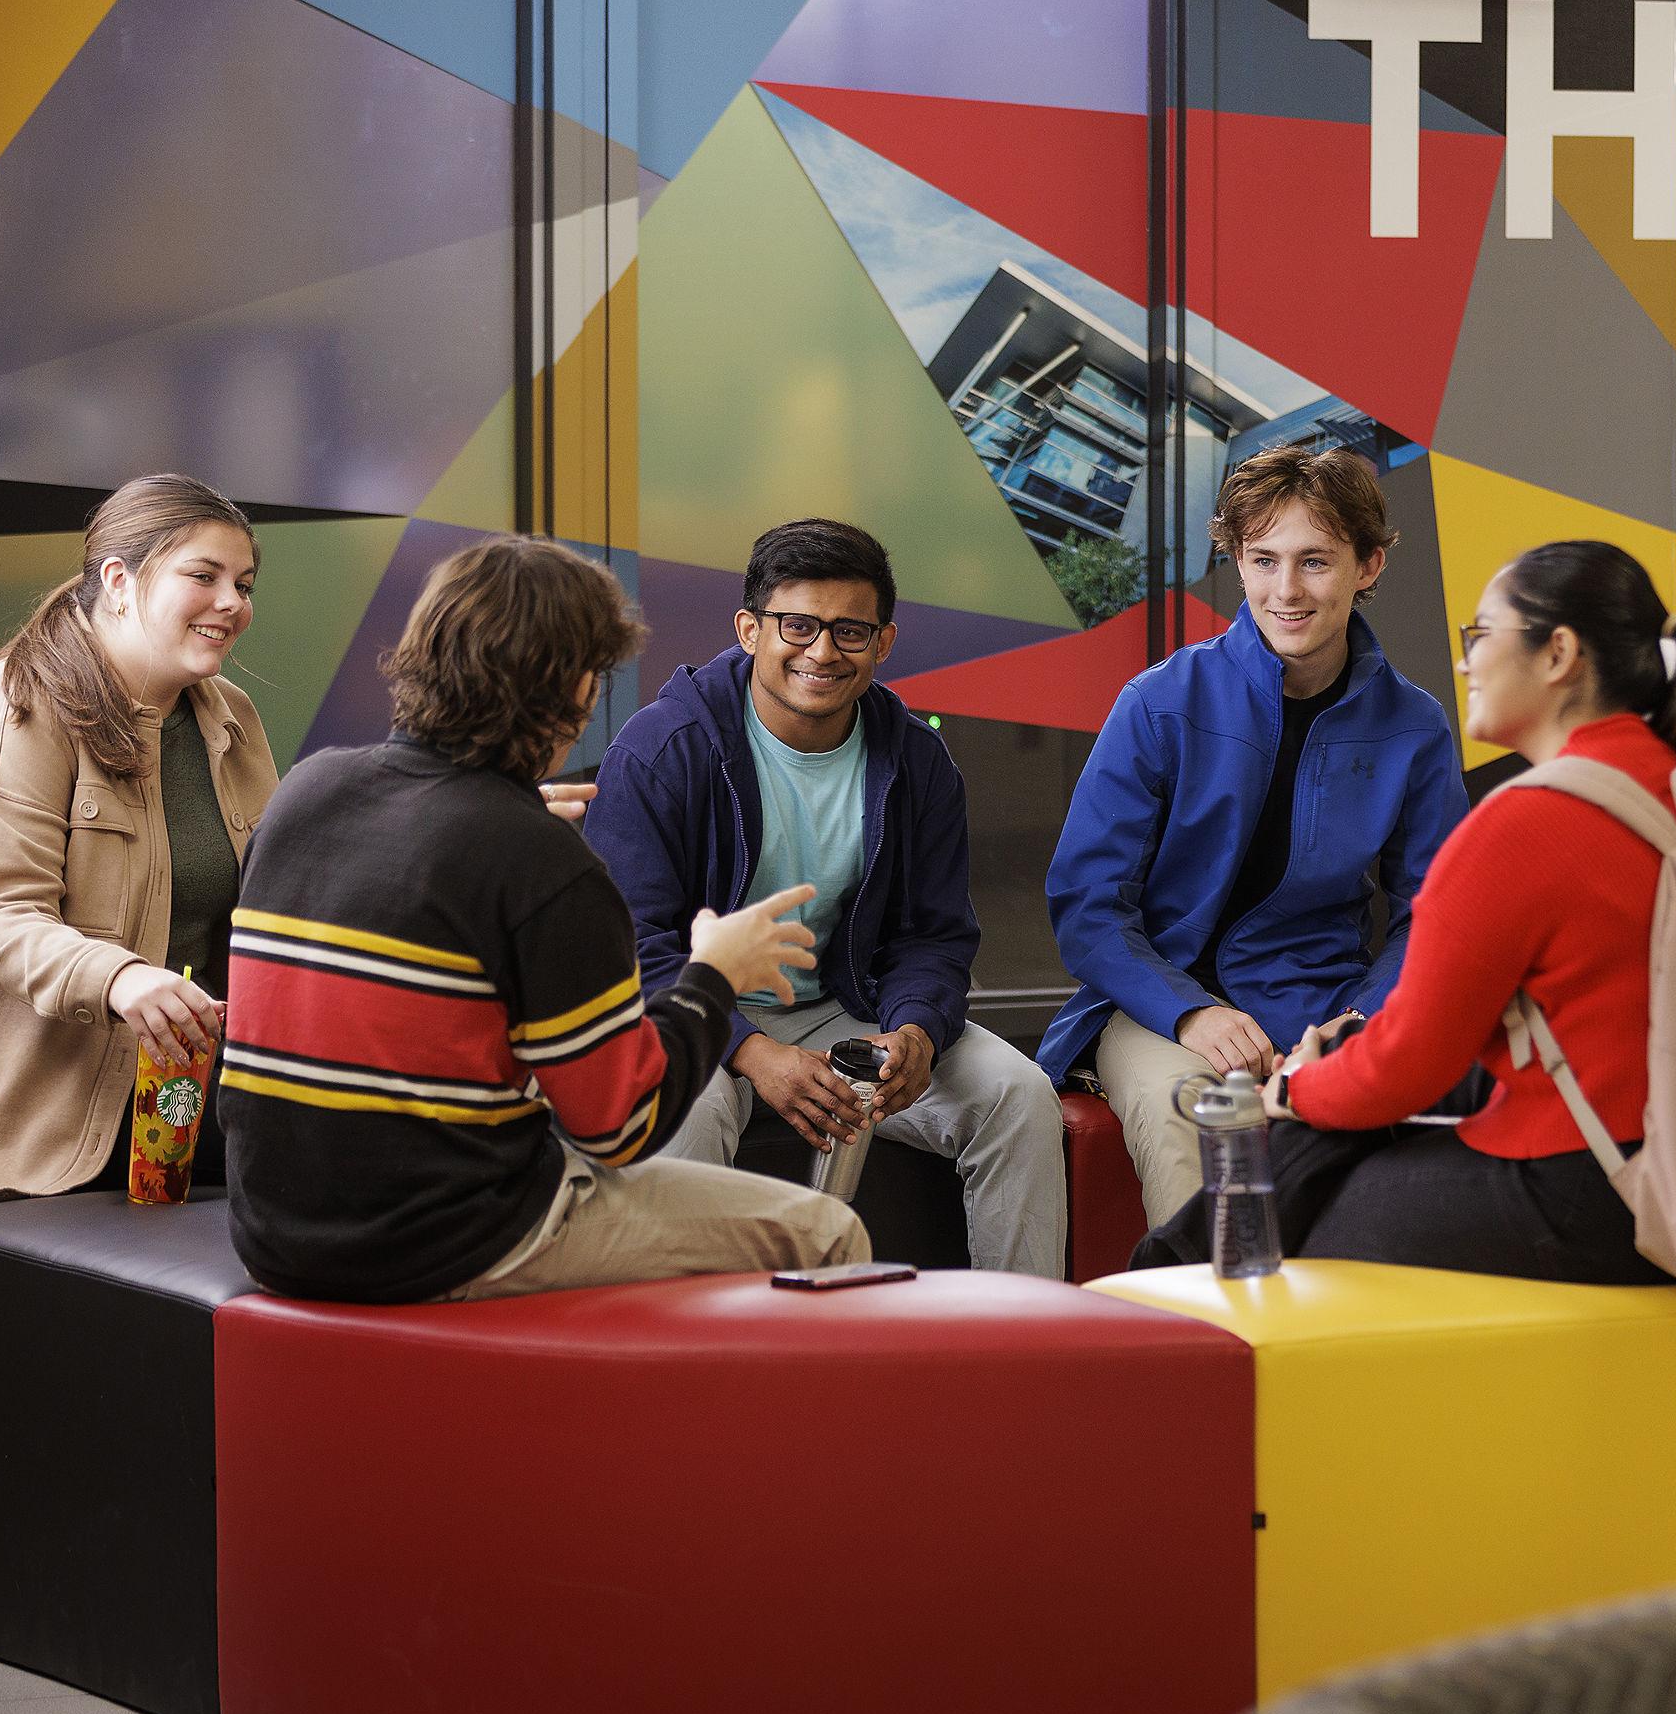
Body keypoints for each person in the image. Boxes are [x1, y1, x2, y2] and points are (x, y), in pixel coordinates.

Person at [219, 536, 866, 1304]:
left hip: (270, 1234)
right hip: (446, 1242)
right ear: (572, 689)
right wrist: (715, 973)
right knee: (829, 1231)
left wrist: (511, 821)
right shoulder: (540, 861)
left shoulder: (304, 792)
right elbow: (621, 1126)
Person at [1142, 540, 1676, 1283]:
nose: (1465, 662)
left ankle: (1153, 1298)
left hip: (1591, 1196)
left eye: (1481, 636)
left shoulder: (1526, 823)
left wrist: (1292, 1087)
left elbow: (1408, 1063)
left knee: (1295, 1202)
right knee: (1324, 1134)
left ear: (1558, 653)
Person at [586, 519, 1066, 1276]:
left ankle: (1024, 1348)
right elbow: (629, 946)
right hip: (698, 1007)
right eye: (798, 625)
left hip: (850, 1004)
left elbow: (933, 937)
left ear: (883, 642)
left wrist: (915, 1033)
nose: (821, 651)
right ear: (750, 629)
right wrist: (749, 1048)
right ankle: (688, 1364)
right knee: (686, 1107)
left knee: (1020, 1097)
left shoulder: (916, 759)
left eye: (850, 631)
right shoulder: (662, 748)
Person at [1039, 445, 1465, 1224]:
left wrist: (1363, 1023)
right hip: (1156, 1007)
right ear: (1236, 561)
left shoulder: (1416, 726)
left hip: (1326, 1005)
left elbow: (1437, 916)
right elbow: (1087, 907)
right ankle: (1216, 1335)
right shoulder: (1159, 701)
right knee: (1194, 1119)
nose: (1286, 590)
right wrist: (1191, 1011)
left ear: (1368, 565)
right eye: (1263, 559)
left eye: (1315, 561)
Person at [0, 473, 279, 1209]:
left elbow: (276, 903)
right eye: (203, 576)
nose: (232, 604)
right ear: (118, 578)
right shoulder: (5, 710)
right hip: (22, 1127)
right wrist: (121, 978)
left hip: (173, 1099)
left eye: (243, 584)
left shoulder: (229, 719)